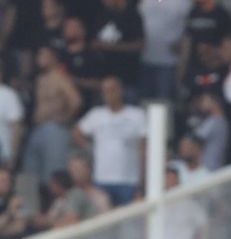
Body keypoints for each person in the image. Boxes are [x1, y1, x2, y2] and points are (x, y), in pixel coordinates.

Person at [75, 76, 146, 206]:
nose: (108, 95)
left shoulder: (136, 115)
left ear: (120, 91)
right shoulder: (96, 114)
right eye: (105, 91)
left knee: (128, 221)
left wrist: (142, 178)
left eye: (111, 90)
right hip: (102, 178)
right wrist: (90, 148)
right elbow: (77, 132)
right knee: (104, 221)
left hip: (129, 180)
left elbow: (144, 145)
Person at [22, 45, 81, 183]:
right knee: (31, 175)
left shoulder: (60, 77)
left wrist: (65, 118)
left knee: (53, 177)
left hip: (55, 129)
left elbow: (76, 100)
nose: (39, 58)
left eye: (43, 55)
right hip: (37, 128)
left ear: (53, 58)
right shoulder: (40, 79)